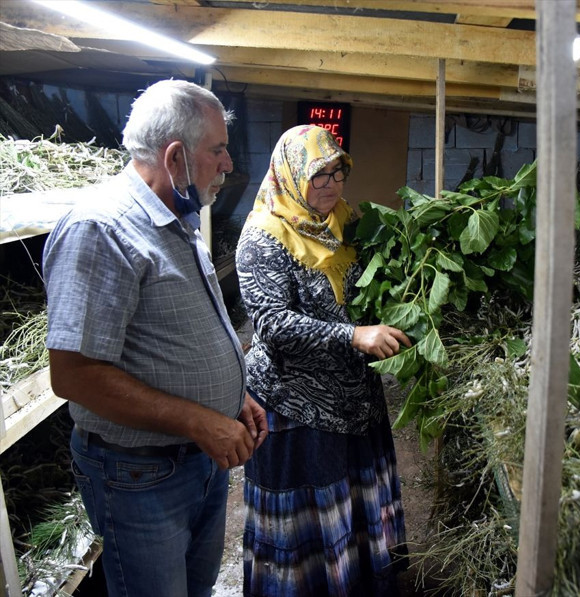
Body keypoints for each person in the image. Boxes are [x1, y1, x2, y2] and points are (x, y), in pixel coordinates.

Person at [42, 79, 268, 597]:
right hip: (141, 477)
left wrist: (233, 398)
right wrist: (198, 418)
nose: (228, 165)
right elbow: (74, 375)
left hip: (196, 458)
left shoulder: (174, 218)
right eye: (217, 151)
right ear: (174, 157)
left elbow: (173, 333)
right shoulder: (101, 229)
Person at [236, 124, 411, 596]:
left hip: (355, 401)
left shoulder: (346, 223)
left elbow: (375, 283)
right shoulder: (263, 238)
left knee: (353, 512)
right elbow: (274, 326)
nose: (331, 184)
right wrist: (354, 335)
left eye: (338, 172)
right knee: (309, 528)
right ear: (291, 175)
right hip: (298, 410)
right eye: (318, 175)